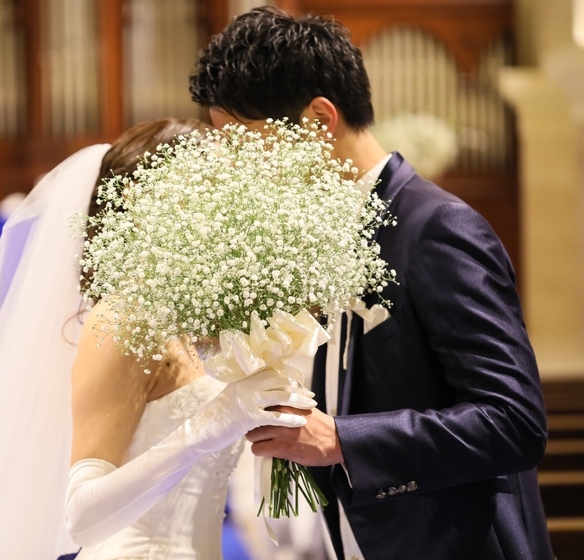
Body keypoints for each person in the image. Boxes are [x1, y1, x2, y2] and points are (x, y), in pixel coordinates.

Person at [189, 7, 554, 560]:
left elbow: (515, 421)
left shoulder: (436, 227)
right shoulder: (327, 233)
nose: (235, 168)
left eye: (243, 142)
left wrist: (342, 440)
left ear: (318, 118)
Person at [0, 117, 316, 560]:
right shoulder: (122, 319)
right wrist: (210, 425)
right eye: (201, 192)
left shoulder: (196, 318)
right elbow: (81, 515)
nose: (220, 213)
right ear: (138, 203)